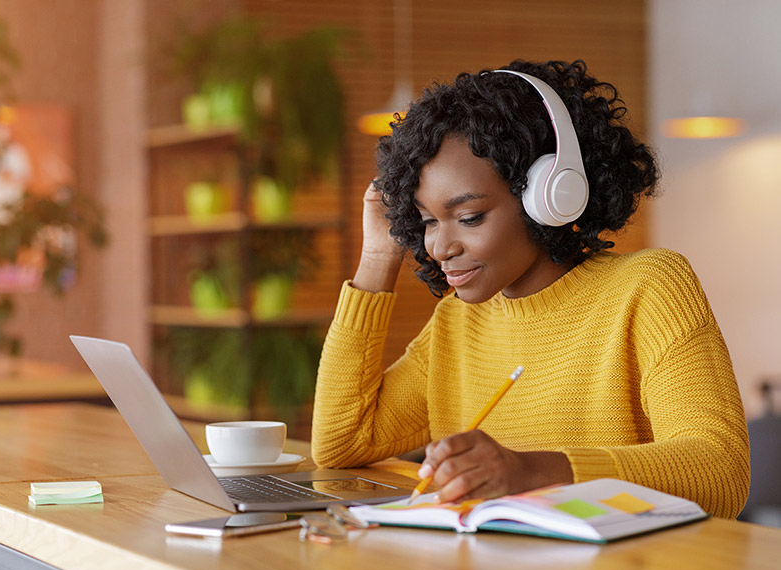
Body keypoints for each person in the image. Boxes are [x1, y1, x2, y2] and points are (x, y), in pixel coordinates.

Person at [311, 59, 749, 519]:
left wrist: (533, 472)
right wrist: (379, 257)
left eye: (469, 217)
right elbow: (341, 442)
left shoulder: (649, 287)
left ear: (549, 195)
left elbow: (720, 471)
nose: (440, 246)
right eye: (425, 221)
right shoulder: (458, 321)